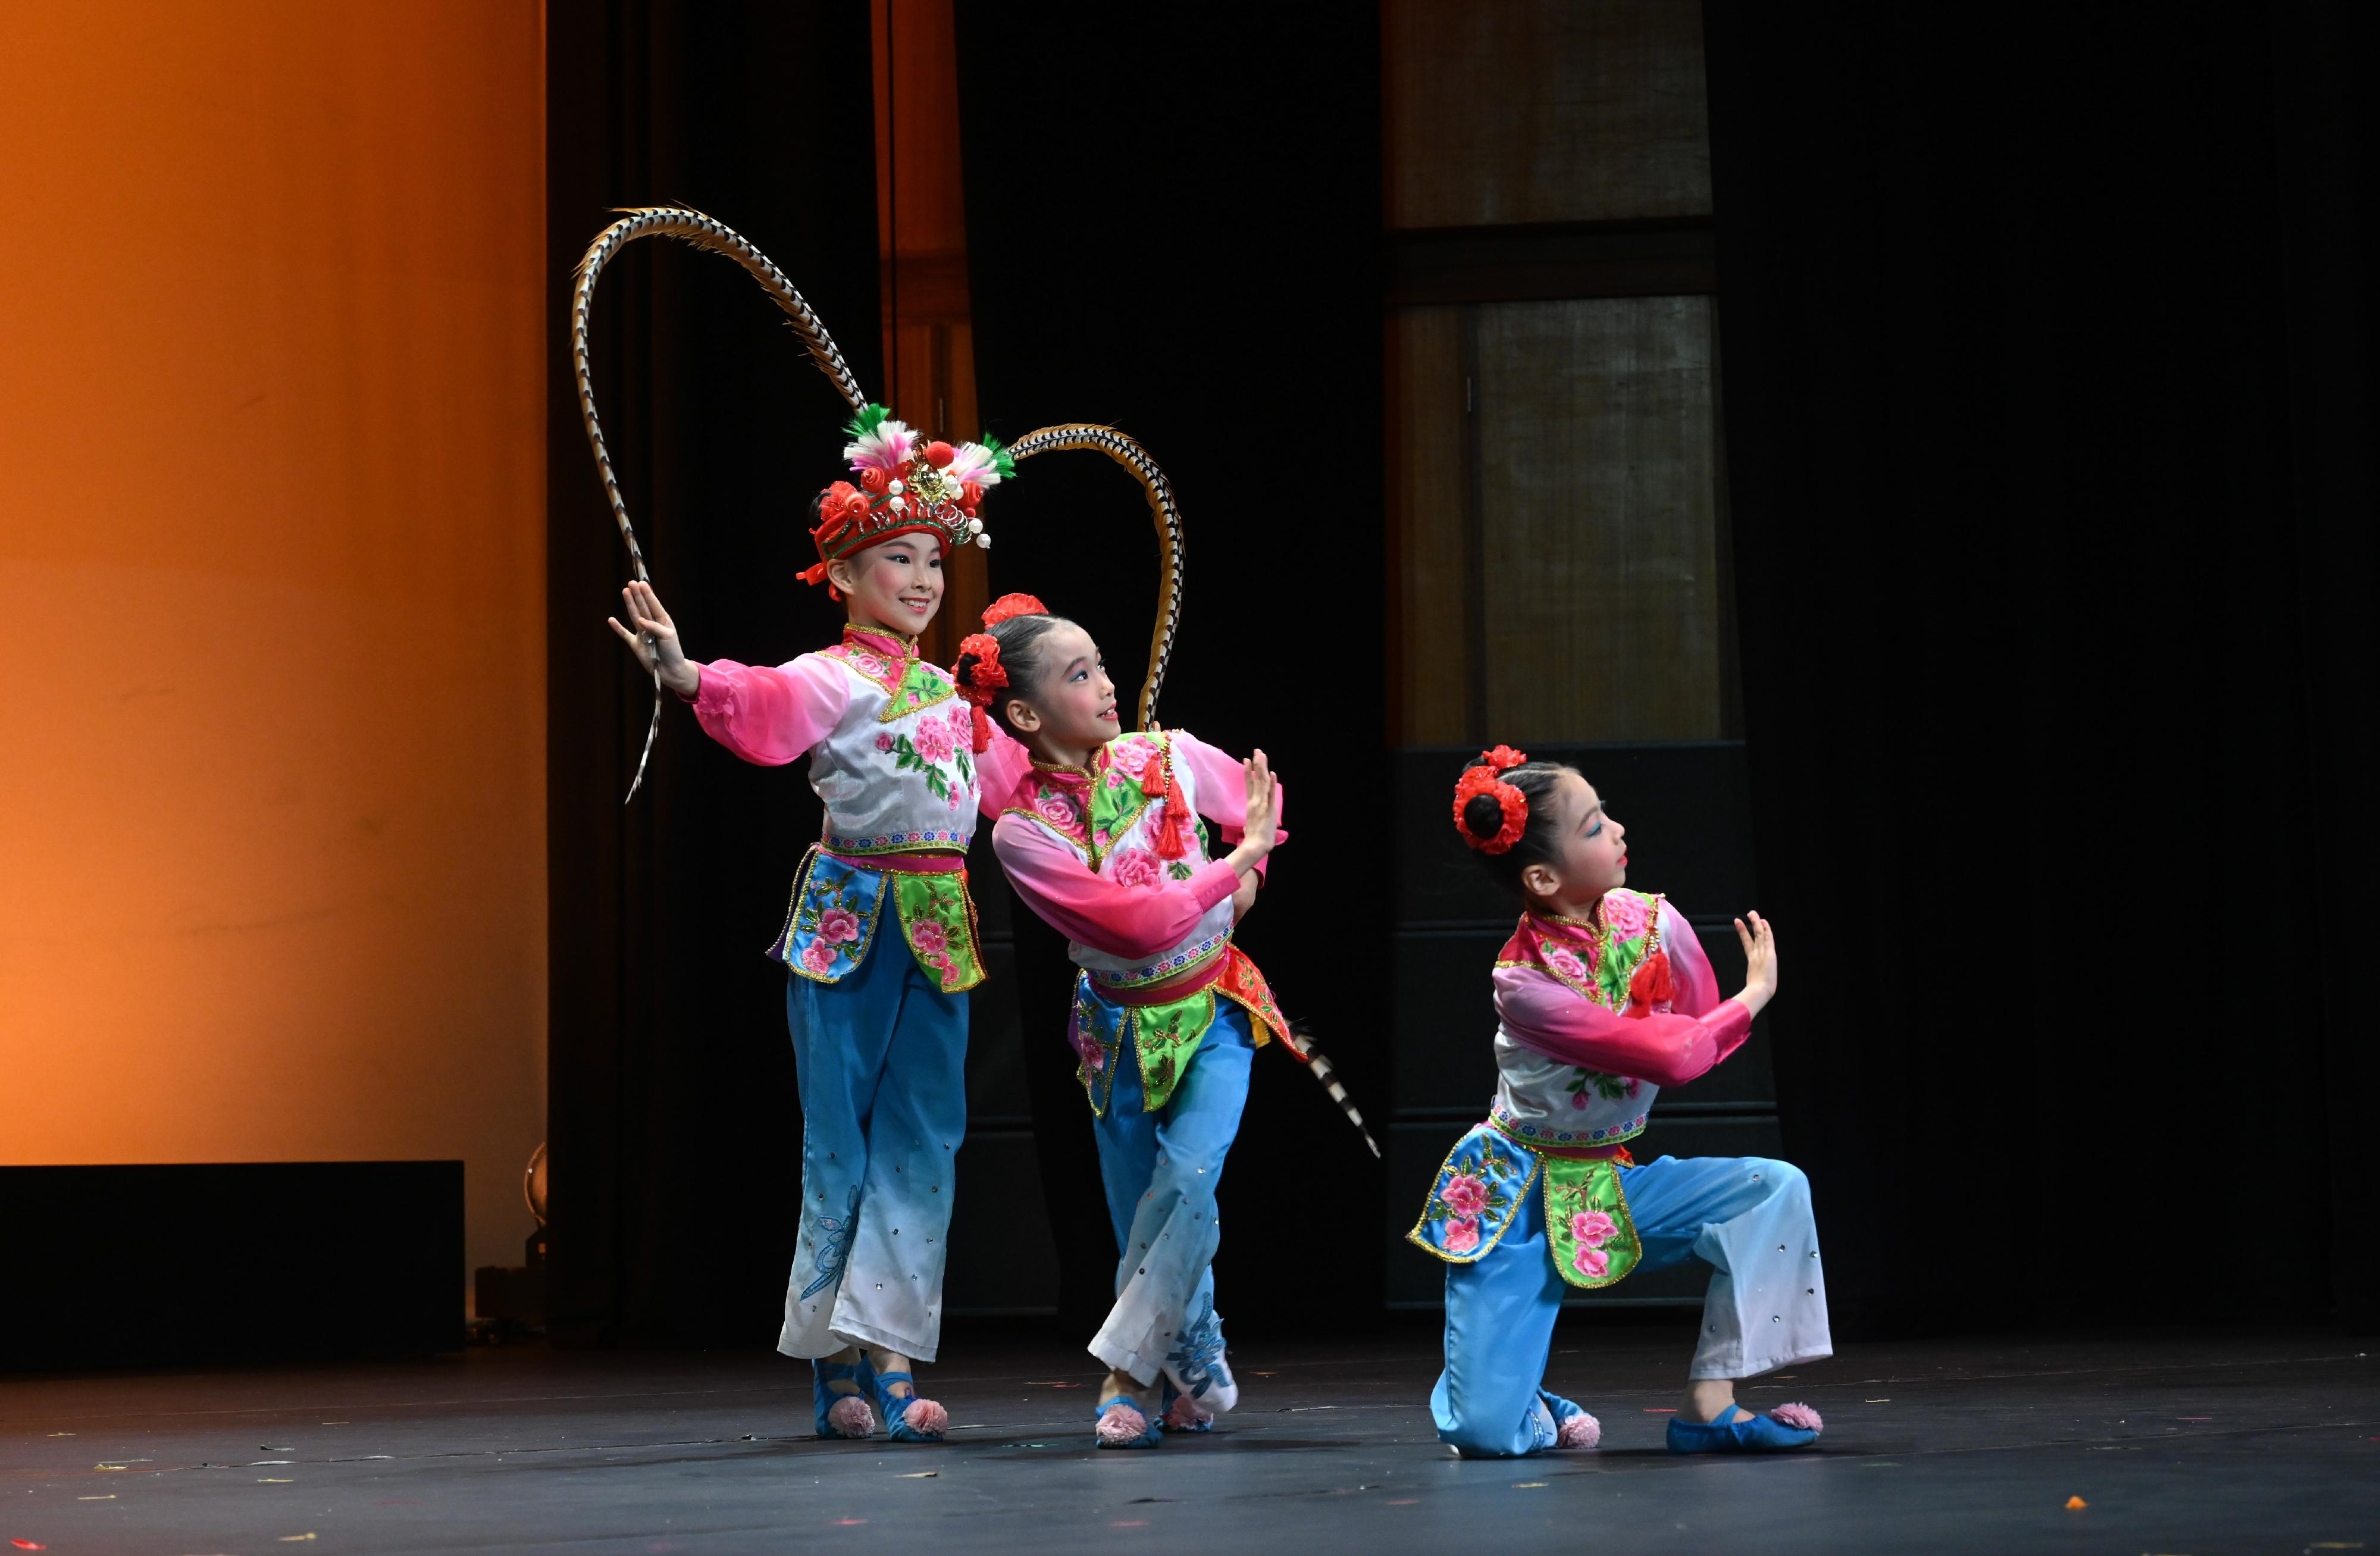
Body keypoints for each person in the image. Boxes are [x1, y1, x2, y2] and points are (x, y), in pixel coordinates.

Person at [607, 408, 1027, 1444]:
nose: (923, 580)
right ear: (843, 575)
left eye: (933, 559)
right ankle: (837, 1363)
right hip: (850, 917)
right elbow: (756, 702)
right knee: (838, 1139)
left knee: (925, 1142)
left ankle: (893, 1355)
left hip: (938, 922)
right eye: (897, 560)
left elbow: (1020, 791)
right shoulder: (829, 676)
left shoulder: (954, 697)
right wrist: (688, 674)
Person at [1410, 745, 1831, 1458]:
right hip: (1514, 1192)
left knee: (1773, 1189)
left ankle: (1711, 1405)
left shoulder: (1654, 921)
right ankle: (1531, 1405)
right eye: (1595, 825)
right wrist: (1753, 996)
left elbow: (1697, 1044)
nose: (1618, 829)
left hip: (1605, 1179)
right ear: (1542, 876)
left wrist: (1704, 1023)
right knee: (1484, 1433)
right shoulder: (1522, 983)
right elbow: (1670, 1051)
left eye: (1605, 813)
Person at [954, 595, 1293, 1448]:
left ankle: (1127, 1374)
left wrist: (1248, 873)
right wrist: (1236, 865)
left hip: (1214, 1004)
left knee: (1186, 1178)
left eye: (1102, 664)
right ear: (1024, 714)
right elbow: (1134, 924)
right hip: (1118, 1029)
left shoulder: (1167, 755)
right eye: (1081, 674)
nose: (1108, 685)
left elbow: (1258, 801)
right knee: (1140, 1212)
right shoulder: (1025, 834)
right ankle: (1194, 1352)